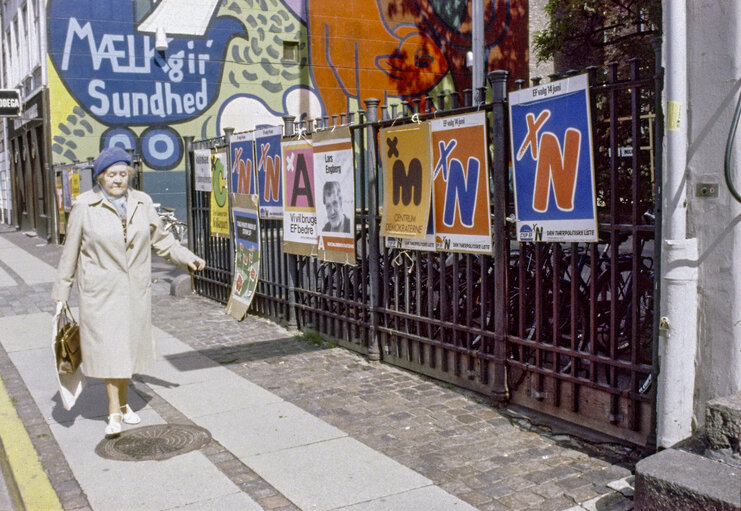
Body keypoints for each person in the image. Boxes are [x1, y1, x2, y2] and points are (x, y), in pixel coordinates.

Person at [52, 146, 206, 438]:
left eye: (123, 174)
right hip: (101, 292)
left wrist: (188, 258)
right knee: (112, 351)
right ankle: (114, 410)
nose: (118, 180)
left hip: (134, 291)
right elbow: (69, 253)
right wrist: (62, 292)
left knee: (126, 352)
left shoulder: (142, 202)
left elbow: (162, 241)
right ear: (100, 177)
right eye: (111, 174)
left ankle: (122, 404)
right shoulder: (85, 206)